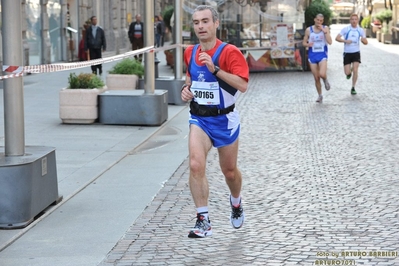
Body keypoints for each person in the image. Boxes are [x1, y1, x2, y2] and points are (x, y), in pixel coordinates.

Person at [181, 5, 249, 238]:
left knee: (229, 172)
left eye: (205, 21)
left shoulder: (229, 52)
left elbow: (242, 85)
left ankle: (236, 202)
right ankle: (203, 220)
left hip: (225, 119)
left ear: (216, 23)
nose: (200, 26)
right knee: (195, 164)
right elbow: (190, 79)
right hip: (199, 118)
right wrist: (186, 90)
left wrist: (215, 69)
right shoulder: (189, 52)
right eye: (196, 22)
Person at [302, 13, 332, 103]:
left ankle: (325, 79)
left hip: (322, 54)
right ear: (315, 19)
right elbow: (304, 43)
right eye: (318, 20)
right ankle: (320, 95)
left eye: (321, 21)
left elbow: (330, 42)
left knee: (322, 74)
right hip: (312, 55)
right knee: (316, 77)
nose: (319, 22)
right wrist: (307, 44)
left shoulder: (325, 28)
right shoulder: (309, 30)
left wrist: (324, 31)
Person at [335, 13, 368, 95]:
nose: (354, 21)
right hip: (347, 53)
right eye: (352, 19)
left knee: (356, 70)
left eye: (355, 19)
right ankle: (349, 73)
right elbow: (337, 38)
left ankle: (353, 87)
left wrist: (363, 41)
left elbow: (366, 42)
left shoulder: (360, 30)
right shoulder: (346, 29)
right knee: (347, 73)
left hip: (356, 52)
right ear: (350, 20)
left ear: (357, 20)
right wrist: (345, 41)